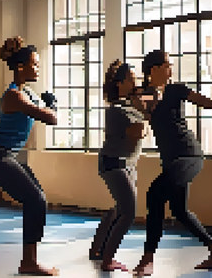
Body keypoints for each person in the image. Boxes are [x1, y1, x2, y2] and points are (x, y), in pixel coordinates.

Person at [131, 50, 212, 276]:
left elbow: (198, 98)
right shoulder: (147, 94)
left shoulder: (175, 90)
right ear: (154, 70)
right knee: (180, 211)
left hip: (189, 155)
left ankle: (147, 259)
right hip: (171, 162)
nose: (171, 68)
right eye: (167, 65)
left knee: (155, 194)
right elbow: (144, 110)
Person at [0, 36, 59, 276]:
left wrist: (45, 104)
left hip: (7, 155)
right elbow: (50, 118)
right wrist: (51, 106)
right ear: (21, 67)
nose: (37, 68)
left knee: (38, 199)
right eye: (34, 64)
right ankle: (29, 262)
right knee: (35, 200)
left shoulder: (28, 93)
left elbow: (42, 111)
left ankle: (29, 259)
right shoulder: (15, 96)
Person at [89, 60, 146, 272]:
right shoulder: (116, 110)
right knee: (128, 212)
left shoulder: (130, 106)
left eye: (135, 79)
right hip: (114, 164)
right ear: (120, 84)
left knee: (118, 209)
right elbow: (138, 132)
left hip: (128, 163)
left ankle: (97, 249)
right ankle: (107, 259)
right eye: (131, 79)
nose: (135, 83)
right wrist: (143, 110)